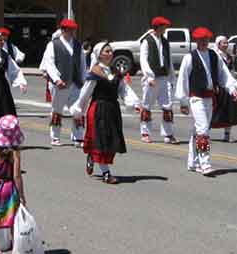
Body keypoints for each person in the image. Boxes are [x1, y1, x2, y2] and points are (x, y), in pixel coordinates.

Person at [174, 27, 237, 176]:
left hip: (210, 98)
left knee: (198, 130)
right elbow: (183, 80)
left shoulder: (213, 56)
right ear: (196, 41)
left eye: (206, 40)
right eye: (200, 40)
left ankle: (192, 162)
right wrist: (183, 102)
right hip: (196, 98)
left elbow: (224, 74)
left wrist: (232, 88)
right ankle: (205, 163)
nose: (203, 42)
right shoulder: (189, 58)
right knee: (203, 130)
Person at [71, 42, 139, 184]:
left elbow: (123, 89)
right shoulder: (95, 72)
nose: (109, 53)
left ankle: (92, 155)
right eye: (106, 51)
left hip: (113, 109)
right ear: (99, 54)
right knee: (101, 140)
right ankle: (106, 173)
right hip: (98, 109)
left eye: (110, 51)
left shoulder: (115, 72)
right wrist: (78, 109)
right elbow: (85, 93)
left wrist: (133, 102)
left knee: (111, 141)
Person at [41, 19, 87, 147]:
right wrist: (56, 79)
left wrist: (83, 79)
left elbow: (82, 64)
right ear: (62, 30)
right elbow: (50, 63)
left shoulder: (78, 45)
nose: (72, 32)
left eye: (73, 30)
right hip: (61, 83)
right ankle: (55, 136)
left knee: (78, 110)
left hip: (76, 82)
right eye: (69, 30)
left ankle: (78, 137)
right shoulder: (53, 45)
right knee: (57, 110)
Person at [0, 115, 26, 254]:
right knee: (12, 220)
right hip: (10, 188)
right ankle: (16, 247)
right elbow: (17, 176)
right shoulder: (15, 153)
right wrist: (22, 195)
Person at [138, 17, 177, 144]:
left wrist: (171, 77)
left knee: (167, 105)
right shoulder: (147, 41)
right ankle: (145, 133)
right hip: (152, 78)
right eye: (164, 26)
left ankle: (168, 134)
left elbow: (169, 60)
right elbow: (143, 60)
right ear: (158, 27)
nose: (165, 29)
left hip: (164, 77)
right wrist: (149, 76)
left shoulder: (165, 42)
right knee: (147, 105)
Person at [212, 35, 237, 143]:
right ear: (218, 44)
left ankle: (227, 134)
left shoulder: (229, 56)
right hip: (218, 87)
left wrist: (234, 86)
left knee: (230, 111)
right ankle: (203, 132)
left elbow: (231, 72)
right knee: (214, 111)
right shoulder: (215, 55)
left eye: (226, 43)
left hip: (228, 87)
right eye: (223, 43)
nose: (226, 45)